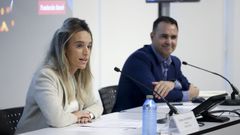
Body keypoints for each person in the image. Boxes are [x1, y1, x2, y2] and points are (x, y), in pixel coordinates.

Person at [16, 18, 103, 134]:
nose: (86, 52)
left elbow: (97, 106)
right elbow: (57, 119)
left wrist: (87, 114)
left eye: (89, 46)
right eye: (79, 46)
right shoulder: (45, 76)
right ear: (64, 48)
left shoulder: (80, 75)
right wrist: (77, 116)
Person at [113, 16, 199, 112]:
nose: (169, 42)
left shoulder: (175, 62)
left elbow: (186, 85)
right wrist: (188, 95)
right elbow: (155, 96)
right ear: (152, 36)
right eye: (164, 36)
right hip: (128, 119)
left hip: (159, 116)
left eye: (173, 37)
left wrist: (173, 84)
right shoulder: (139, 59)